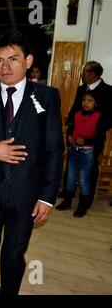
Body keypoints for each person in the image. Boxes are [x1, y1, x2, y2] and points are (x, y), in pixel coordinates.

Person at [0, 30, 64, 295]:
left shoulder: (46, 97)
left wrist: (47, 197)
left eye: (13, 59)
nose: (5, 66)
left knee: (13, 253)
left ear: (29, 61)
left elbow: (55, 149)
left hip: (26, 192)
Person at [59, 61, 112, 203]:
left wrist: (96, 129)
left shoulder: (108, 91)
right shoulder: (82, 88)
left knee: (90, 170)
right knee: (71, 167)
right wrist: (70, 124)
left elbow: (108, 116)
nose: (82, 75)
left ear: (93, 74)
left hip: (93, 139)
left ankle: (86, 199)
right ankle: (68, 192)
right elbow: (76, 108)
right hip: (76, 136)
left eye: (85, 72)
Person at [56, 92, 106, 217]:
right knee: (71, 178)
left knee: (84, 180)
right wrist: (70, 138)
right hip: (74, 151)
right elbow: (70, 130)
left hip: (88, 153)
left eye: (90, 100)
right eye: (84, 100)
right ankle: (67, 201)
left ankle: (83, 205)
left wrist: (86, 141)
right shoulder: (76, 114)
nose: (86, 103)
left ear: (96, 103)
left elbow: (100, 139)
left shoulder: (99, 117)